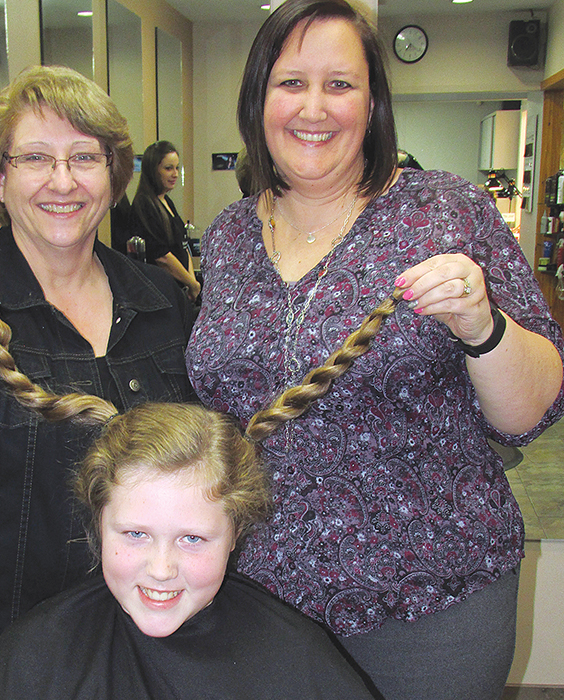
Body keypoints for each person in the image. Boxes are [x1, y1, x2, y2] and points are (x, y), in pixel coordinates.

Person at [185, 2, 564, 699]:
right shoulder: (232, 234)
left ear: (373, 102)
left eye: (341, 84)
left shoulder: (447, 211)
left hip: (429, 602)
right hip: (260, 595)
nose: (314, 107)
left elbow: (530, 412)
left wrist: (483, 325)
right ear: (258, 99)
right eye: (291, 82)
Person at [0, 65, 195, 699]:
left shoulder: (163, 302)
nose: (63, 181)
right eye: (35, 159)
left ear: (113, 174)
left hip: (134, 646)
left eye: (85, 158)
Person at [0, 402, 375, 700]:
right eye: (135, 534)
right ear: (99, 523)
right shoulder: (38, 655)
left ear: (235, 533)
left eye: (192, 539)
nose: (160, 569)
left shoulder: (294, 662)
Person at [130, 140, 201, 301]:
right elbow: (162, 257)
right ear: (153, 171)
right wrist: (192, 284)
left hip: (181, 290)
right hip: (162, 292)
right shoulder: (144, 204)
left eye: (176, 168)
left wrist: (192, 282)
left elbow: (183, 246)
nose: (175, 174)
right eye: (168, 168)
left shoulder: (167, 202)